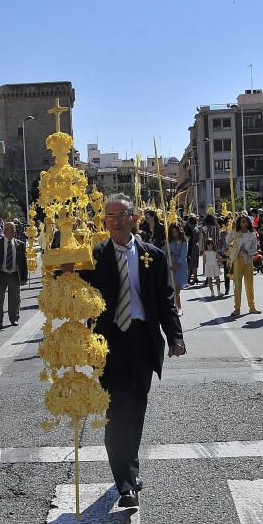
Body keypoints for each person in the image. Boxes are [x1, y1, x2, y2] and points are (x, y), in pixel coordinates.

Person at [77, 194, 184, 508]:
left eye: (120, 214)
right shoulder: (94, 255)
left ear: (134, 218)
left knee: (135, 409)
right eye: (109, 216)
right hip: (108, 342)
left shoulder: (153, 256)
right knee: (115, 411)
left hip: (141, 340)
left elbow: (165, 301)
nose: (114, 220)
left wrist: (175, 337)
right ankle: (125, 481)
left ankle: (130, 467)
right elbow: (70, 280)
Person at [0, 221, 27, 331]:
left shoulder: (20, 244)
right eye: (12, 228)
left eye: (14, 228)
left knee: (15, 298)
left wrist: (24, 277)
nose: (14, 230)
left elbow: (23, 262)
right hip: (1, 274)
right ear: (6, 230)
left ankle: (14, 318)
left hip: (14, 274)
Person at [229, 215, 260, 316]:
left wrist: (247, 251)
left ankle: (252, 307)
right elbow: (227, 240)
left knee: (249, 285)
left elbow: (255, 249)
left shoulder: (252, 235)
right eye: (242, 222)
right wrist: (232, 229)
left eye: (245, 222)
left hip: (248, 261)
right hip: (237, 261)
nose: (244, 224)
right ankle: (237, 308)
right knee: (237, 286)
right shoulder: (236, 233)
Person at [167, 224, 188, 316]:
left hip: (180, 266)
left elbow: (183, 255)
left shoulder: (184, 241)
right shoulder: (169, 241)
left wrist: (176, 265)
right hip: (171, 265)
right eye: (172, 232)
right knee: (172, 289)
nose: (174, 233)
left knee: (177, 290)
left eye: (176, 231)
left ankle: (179, 308)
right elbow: (167, 252)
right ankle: (175, 307)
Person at [184, 216, 201, 285]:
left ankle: (189, 278)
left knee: (190, 263)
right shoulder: (196, 228)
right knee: (195, 263)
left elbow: (187, 238)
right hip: (197, 245)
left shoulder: (189, 229)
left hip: (191, 246)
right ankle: (195, 278)